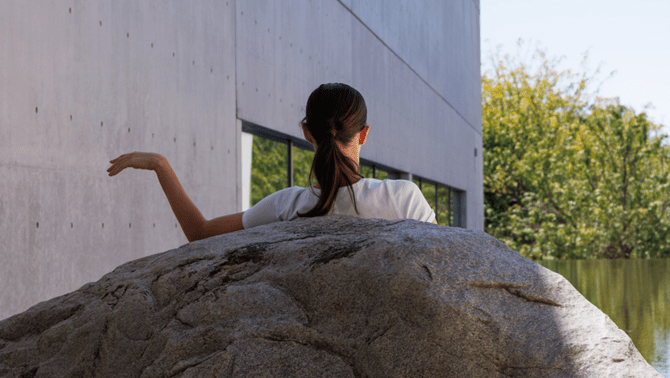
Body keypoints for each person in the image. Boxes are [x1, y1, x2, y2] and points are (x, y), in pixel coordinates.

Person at [107, 83, 436, 242]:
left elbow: (200, 233)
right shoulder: (401, 197)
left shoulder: (288, 205)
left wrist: (162, 166)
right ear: (363, 135)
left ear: (307, 133)